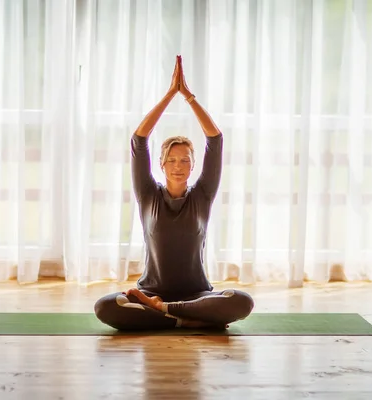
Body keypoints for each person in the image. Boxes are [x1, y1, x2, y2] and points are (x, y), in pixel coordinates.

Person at [94, 55, 254, 330]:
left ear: (193, 165)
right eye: (171, 159)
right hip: (151, 291)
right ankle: (185, 319)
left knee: (241, 301)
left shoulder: (202, 195)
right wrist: (170, 95)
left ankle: (167, 313)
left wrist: (188, 97)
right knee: (105, 307)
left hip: (197, 294)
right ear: (161, 164)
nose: (178, 166)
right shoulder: (148, 195)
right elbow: (139, 139)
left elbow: (215, 140)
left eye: (185, 160)